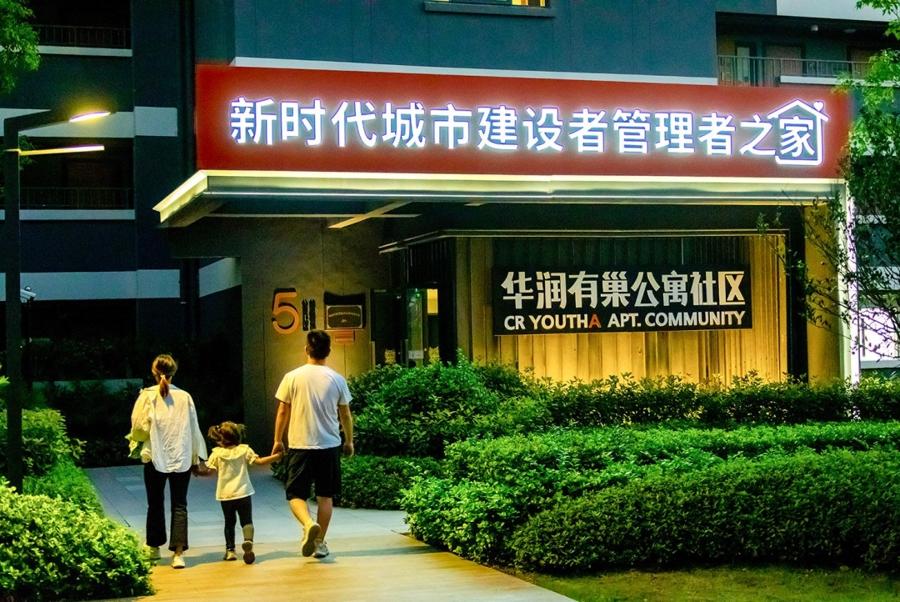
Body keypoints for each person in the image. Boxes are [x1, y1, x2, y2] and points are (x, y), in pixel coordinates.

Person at [271, 330, 354, 560]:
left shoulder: (292, 377)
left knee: (295, 494)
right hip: (329, 445)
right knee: (325, 496)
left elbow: (282, 411)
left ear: (307, 349)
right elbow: (345, 414)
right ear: (328, 351)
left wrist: (277, 440)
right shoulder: (337, 379)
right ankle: (319, 543)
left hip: (300, 444)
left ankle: (308, 524)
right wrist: (349, 441)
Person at [129, 354, 207, 569]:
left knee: (155, 502)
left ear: (154, 372)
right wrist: (196, 457)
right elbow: (193, 428)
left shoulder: (147, 396)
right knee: (180, 504)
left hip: (154, 456)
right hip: (182, 456)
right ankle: (178, 553)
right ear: (174, 372)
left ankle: (154, 547)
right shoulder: (185, 397)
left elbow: (138, 428)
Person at [204, 421, 282, 564]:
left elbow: (209, 471)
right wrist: (277, 456)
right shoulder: (244, 450)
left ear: (220, 438)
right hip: (243, 492)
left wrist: (197, 471)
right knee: (246, 520)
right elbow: (260, 462)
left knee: (229, 522)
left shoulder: (217, 454)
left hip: (225, 495)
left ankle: (230, 551)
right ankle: (248, 541)